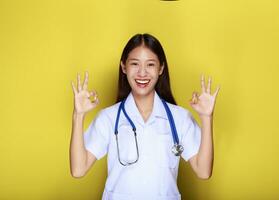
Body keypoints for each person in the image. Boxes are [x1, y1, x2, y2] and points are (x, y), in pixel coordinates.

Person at [69, 33, 220, 200]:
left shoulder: (180, 118)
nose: (142, 73)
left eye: (150, 64)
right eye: (134, 64)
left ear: (161, 68)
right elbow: (78, 169)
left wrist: (207, 118)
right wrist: (78, 115)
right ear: (124, 67)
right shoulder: (108, 118)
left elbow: (204, 171)